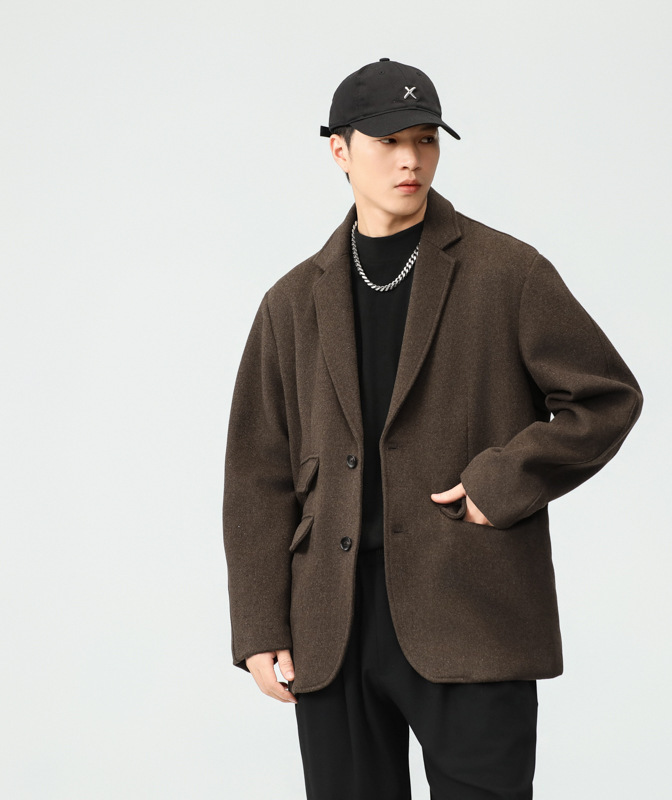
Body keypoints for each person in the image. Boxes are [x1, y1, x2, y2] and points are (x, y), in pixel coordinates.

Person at [223, 57, 643, 800]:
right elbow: (258, 471)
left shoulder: (506, 272)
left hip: (472, 611)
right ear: (339, 150)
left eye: (424, 139)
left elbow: (605, 397)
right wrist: (260, 624)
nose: (410, 160)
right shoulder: (290, 303)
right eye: (387, 141)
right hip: (332, 623)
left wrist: (499, 484)